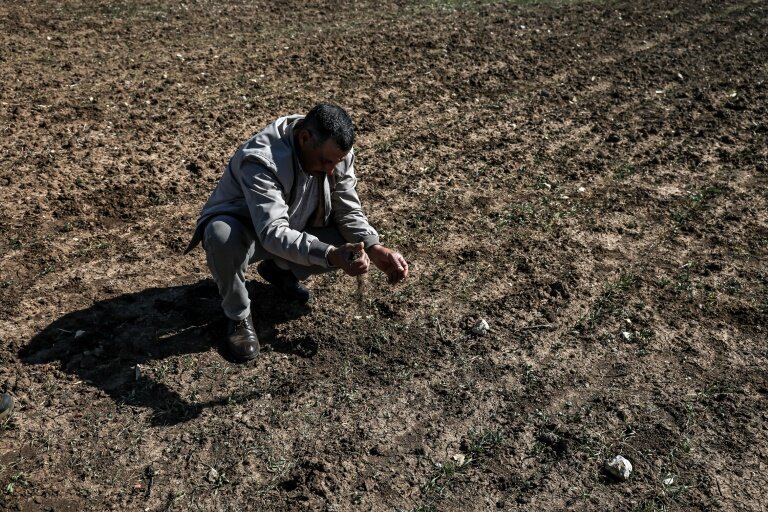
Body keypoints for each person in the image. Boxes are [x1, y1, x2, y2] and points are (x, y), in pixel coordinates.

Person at [185, 103, 409, 362]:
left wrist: (373, 246)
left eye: (336, 163)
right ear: (304, 138)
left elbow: (347, 210)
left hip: (294, 223)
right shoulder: (261, 159)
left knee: (352, 244)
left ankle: (280, 270)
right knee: (220, 235)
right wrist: (330, 254)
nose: (330, 169)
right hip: (251, 230)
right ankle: (237, 316)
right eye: (326, 162)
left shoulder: (333, 151)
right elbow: (272, 231)